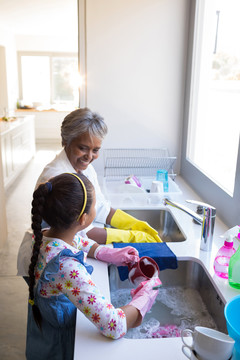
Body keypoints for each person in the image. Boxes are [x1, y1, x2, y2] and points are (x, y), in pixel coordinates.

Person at [26, 172, 160, 359]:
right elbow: (114, 325)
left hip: (43, 332)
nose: (97, 208)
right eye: (95, 205)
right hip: (61, 346)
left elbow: (76, 242)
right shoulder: (66, 268)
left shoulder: (46, 234)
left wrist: (105, 252)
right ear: (83, 219)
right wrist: (145, 296)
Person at [17, 107, 161, 278]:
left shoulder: (86, 169)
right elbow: (80, 230)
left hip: (62, 253)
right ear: (66, 141)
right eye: (83, 148)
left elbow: (99, 207)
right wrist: (129, 236)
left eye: (96, 150)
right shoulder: (57, 177)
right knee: (43, 303)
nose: (89, 156)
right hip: (46, 264)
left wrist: (133, 224)